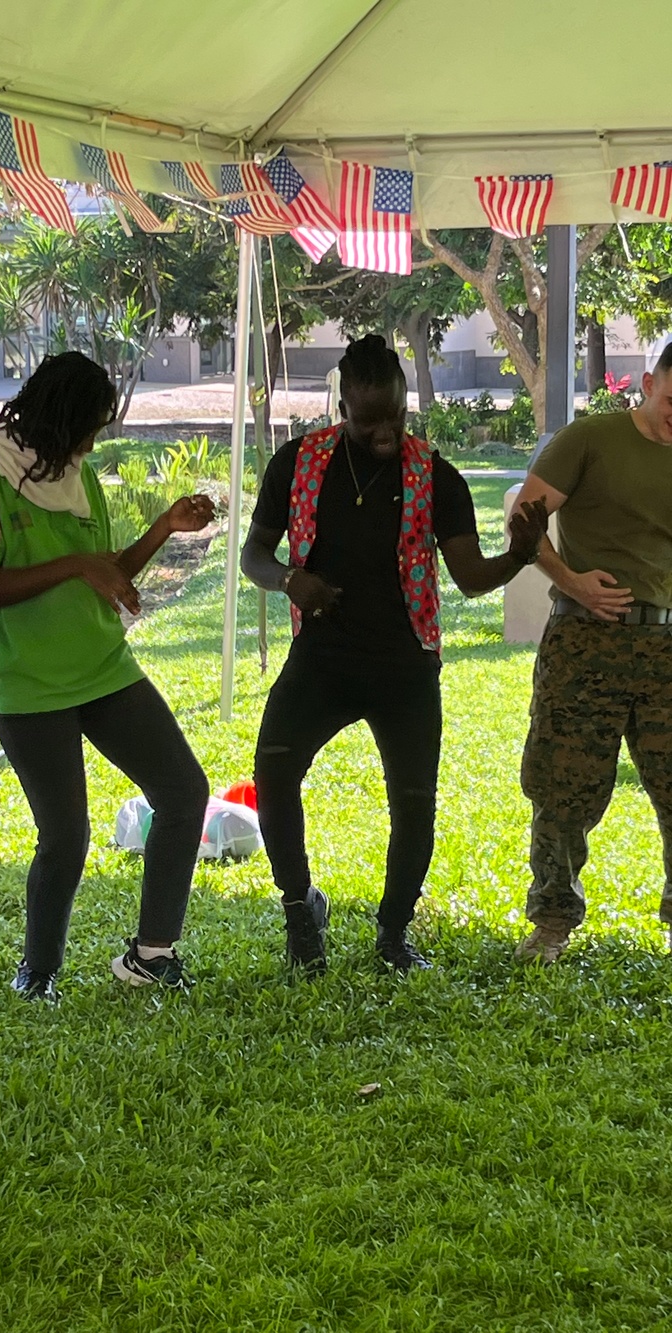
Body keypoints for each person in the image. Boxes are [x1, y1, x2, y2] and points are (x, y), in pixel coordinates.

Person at [241, 335, 547, 974]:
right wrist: (289, 580)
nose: (384, 432)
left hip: (404, 665)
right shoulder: (297, 463)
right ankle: (301, 912)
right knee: (273, 769)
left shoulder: (434, 476)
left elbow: (468, 577)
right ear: (342, 408)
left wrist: (519, 556)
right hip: (321, 657)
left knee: (413, 801)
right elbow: (255, 556)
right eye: (367, 419)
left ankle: (394, 932)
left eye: (395, 417)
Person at [0, 351, 213, 1002]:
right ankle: (37, 973)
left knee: (183, 792)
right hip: (30, 685)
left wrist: (165, 527)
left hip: (103, 669)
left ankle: (152, 954)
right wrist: (73, 566)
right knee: (65, 838)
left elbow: (107, 569)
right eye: (90, 425)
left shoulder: (77, 471)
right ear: (58, 415)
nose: (95, 440)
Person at [511, 346, 672, 964]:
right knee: (564, 789)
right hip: (586, 641)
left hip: (666, 644)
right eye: (670, 401)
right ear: (649, 384)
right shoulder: (590, 439)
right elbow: (525, 520)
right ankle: (551, 923)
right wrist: (571, 579)